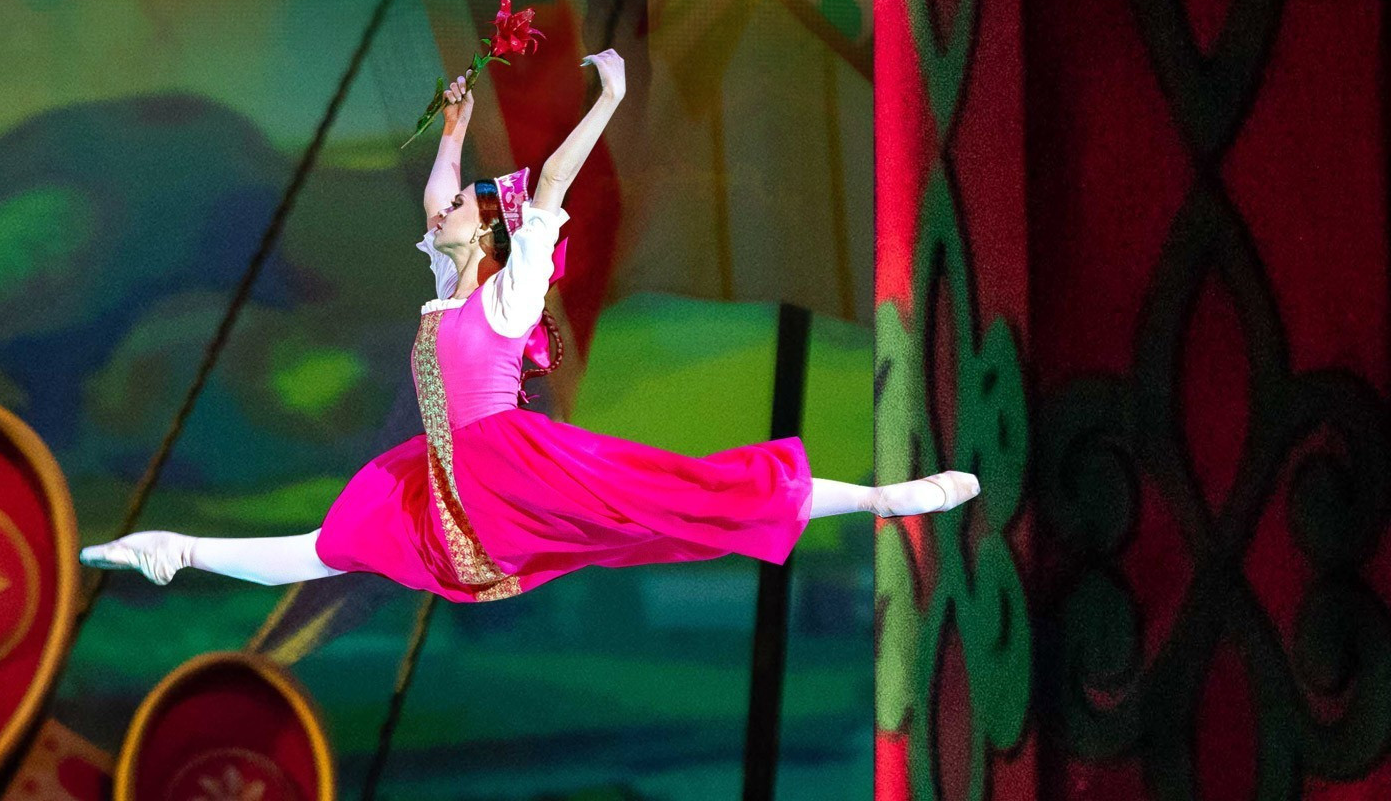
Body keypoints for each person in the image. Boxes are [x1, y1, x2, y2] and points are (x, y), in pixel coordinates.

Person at [80, 49, 979, 599]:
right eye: (446, 208)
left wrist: (608, 102)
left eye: (459, 208)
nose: (440, 211)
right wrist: (452, 133)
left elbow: (548, 186)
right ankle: (178, 549)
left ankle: (881, 501)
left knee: (694, 492)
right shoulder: (447, 288)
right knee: (333, 548)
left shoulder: (508, 298)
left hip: (513, 464)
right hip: (447, 477)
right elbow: (439, 201)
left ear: (486, 231)